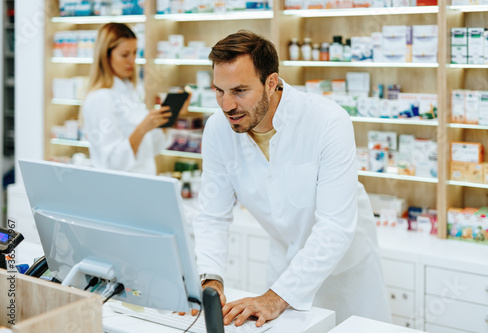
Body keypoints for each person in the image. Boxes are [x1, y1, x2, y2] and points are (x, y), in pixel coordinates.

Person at [192, 30, 391, 327]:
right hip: (284, 269)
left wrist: (276, 298)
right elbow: (212, 215)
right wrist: (211, 279)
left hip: (346, 274)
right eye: (219, 91)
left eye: (239, 91)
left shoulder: (326, 121)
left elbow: (334, 227)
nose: (226, 105)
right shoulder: (218, 129)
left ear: (270, 83)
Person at [81, 23, 188, 175]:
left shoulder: (129, 91)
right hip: (119, 189)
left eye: (135, 53)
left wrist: (171, 116)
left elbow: (151, 148)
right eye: (125, 55)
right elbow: (111, 164)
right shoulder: (100, 99)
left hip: (143, 182)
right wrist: (143, 127)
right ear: (106, 56)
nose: (132, 60)